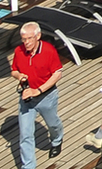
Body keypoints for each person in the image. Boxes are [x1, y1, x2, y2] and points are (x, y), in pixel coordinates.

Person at [10, 20, 64, 167]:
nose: (26, 42)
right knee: (25, 134)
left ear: (38, 36)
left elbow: (57, 74)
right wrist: (19, 76)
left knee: (53, 124)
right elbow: (14, 70)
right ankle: (28, 166)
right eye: (24, 39)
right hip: (27, 99)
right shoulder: (18, 51)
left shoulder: (49, 50)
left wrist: (38, 90)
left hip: (46, 96)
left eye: (29, 38)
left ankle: (57, 140)